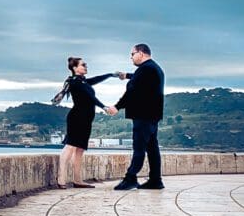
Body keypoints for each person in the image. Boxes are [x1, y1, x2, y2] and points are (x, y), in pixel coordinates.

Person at [53, 57, 117, 189]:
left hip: (86, 119)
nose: (86, 67)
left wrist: (111, 75)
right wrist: (104, 107)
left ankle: (78, 180)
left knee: (80, 149)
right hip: (77, 118)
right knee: (70, 146)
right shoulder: (75, 82)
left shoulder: (83, 81)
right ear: (75, 68)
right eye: (83, 65)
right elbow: (91, 97)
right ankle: (61, 178)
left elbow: (96, 79)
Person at [109, 43, 165, 190]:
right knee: (152, 148)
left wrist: (117, 106)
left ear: (141, 53)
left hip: (143, 116)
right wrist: (126, 75)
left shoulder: (145, 69)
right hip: (152, 116)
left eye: (132, 54)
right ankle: (155, 180)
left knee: (139, 147)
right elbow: (138, 78)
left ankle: (131, 178)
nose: (131, 58)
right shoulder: (155, 68)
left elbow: (132, 92)